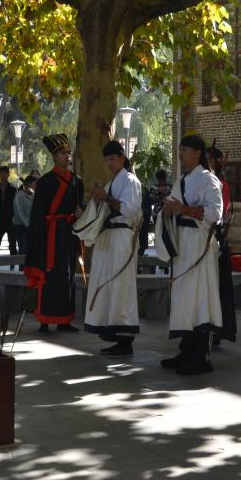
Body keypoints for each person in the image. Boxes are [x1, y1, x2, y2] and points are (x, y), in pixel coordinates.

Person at [159, 135, 224, 374]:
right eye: (180, 149)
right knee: (185, 298)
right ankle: (185, 351)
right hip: (183, 245)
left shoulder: (208, 179)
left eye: (185, 149)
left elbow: (215, 214)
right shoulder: (183, 179)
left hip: (200, 245)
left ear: (197, 153)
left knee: (200, 298)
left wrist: (182, 209)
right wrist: (167, 210)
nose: (180, 153)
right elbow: (173, 206)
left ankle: (200, 358)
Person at [84, 141, 143, 357]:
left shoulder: (131, 181)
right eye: (106, 159)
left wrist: (107, 197)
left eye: (113, 159)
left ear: (122, 158)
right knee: (109, 286)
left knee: (121, 285)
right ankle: (114, 334)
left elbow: (130, 210)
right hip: (108, 237)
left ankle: (125, 339)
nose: (109, 163)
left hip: (122, 237)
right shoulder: (111, 183)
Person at [24, 134, 84, 334]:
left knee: (67, 275)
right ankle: (44, 320)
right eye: (63, 153)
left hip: (69, 234)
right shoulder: (46, 181)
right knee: (49, 275)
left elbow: (80, 206)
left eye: (68, 153)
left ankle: (64, 320)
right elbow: (38, 214)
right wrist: (38, 239)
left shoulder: (77, 181)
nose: (67, 156)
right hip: (50, 235)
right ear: (54, 156)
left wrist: (80, 212)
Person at [208, 144, 237, 344]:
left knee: (217, 287)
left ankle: (216, 330)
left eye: (210, 159)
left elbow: (220, 212)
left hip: (215, 238)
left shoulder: (220, 184)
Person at [0, 166, 18, 256]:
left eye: (4, 173)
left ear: (8, 175)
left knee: (12, 245)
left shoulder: (13, 189)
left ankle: (13, 263)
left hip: (11, 220)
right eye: (1, 173)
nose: (2, 176)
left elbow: (16, 205)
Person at [12, 174, 36, 255]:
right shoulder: (19, 195)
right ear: (28, 185)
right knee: (23, 249)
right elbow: (19, 213)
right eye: (34, 184)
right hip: (20, 226)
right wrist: (27, 224)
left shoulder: (34, 195)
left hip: (31, 226)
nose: (35, 186)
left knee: (31, 249)